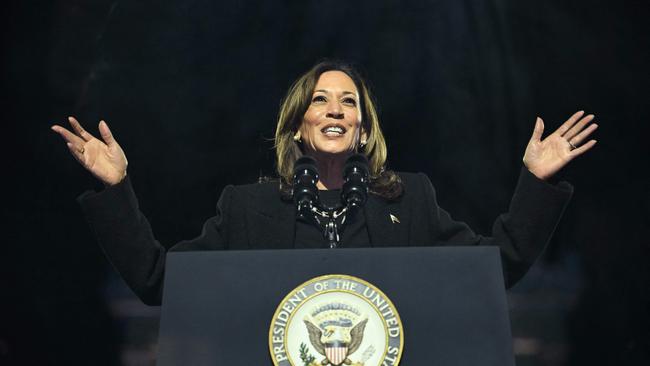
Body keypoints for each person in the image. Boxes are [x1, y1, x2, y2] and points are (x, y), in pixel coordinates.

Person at [51, 61, 598, 306]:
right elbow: (157, 281)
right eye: (320, 99)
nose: (335, 109)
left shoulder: (410, 201)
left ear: (363, 128)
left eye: (349, 101)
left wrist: (534, 182)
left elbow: (493, 270)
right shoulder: (246, 209)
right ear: (297, 124)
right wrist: (117, 188)